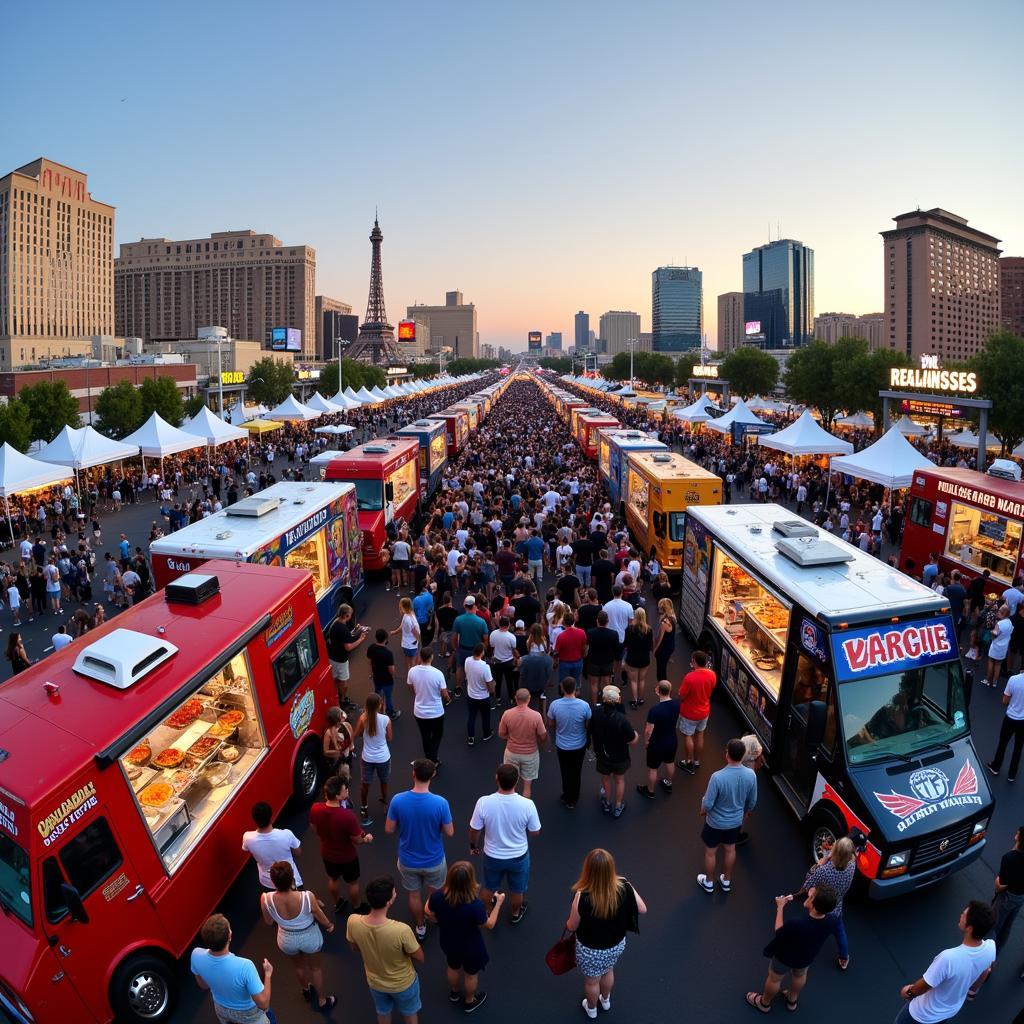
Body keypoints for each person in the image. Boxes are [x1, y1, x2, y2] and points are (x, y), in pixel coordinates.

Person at [565, 848, 647, 1020]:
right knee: (608, 969)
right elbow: (642, 909)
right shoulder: (624, 885)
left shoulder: (582, 897)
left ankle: (592, 1008)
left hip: (590, 950)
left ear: (587, 869)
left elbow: (572, 926)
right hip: (616, 945)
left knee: (592, 981)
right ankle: (606, 999)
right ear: (611, 867)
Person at [386, 759, 455, 941]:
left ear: (413, 774)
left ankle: (420, 926)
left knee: (414, 894)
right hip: (434, 860)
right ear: (433, 775)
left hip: (408, 860)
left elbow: (389, 829)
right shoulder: (440, 803)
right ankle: (432, 916)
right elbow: (449, 832)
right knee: (434, 893)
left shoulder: (398, 800)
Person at [894, 901, 996, 1023]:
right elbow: (986, 970)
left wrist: (908, 992)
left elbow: (925, 985)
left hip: (921, 1014)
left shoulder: (948, 958)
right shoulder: (991, 947)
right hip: (949, 1012)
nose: (961, 915)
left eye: (964, 915)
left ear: (969, 928)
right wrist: (972, 992)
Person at [425, 861, 503, 1014]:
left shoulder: (438, 897)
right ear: (470, 881)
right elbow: (489, 924)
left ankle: (454, 993)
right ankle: (469, 1001)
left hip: (448, 942)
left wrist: (438, 920)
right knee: (470, 975)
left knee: (452, 967)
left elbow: (427, 911)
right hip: (470, 947)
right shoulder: (475, 906)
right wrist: (498, 903)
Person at [469, 762, 541, 925]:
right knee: (517, 889)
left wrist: (473, 846)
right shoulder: (527, 804)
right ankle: (515, 913)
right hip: (519, 856)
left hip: (492, 856)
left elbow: (474, 830)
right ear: (517, 781)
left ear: (497, 779)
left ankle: (487, 911)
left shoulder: (483, 802)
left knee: (488, 886)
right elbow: (535, 831)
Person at [746, 886, 838, 1013]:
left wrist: (780, 907)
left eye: (812, 895)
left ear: (814, 904)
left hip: (785, 957)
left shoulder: (797, 923)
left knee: (774, 978)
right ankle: (792, 999)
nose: (810, 893)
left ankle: (764, 1003)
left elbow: (779, 932)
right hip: (806, 958)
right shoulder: (832, 920)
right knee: (800, 976)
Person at [347, 875, 424, 1024]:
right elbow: (420, 957)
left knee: (383, 1013)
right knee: (410, 1014)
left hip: (375, 983)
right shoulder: (401, 930)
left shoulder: (353, 921)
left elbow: (354, 947)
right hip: (403, 983)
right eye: (394, 892)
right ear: (389, 901)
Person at [260, 861, 336, 1011]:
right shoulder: (307, 897)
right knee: (315, 968)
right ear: (292, 879)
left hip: (286, 939)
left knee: (298, 966)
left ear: (273, 881)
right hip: (309, 937)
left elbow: (268, 922)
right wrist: (329, 925)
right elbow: (318, 914)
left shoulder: (265, 898)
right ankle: (321, 1000)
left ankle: (306, 991)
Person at [697, 738, 757, 894]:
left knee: (711, 852)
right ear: (743, 755)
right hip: (735, 822)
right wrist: (747, 811)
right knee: (730, 850)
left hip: (715, 822)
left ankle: (709, 882)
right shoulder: (751, 775)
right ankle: (726, 880)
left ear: (727, 754)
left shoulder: (717, 777)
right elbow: (752, 800)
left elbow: (708, 803)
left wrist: (703, 809)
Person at [191, 913, 274, 1024]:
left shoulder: (195, 955)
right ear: (230, 936)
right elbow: (264, 1004)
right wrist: (268, 974)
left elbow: (203, 985)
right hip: (248, 1013)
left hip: (221, 1008)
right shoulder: (245, 966)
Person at [309, 774, 374, 914]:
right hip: (347, 857)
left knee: (333, 879)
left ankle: (337, 902)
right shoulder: (347, 817)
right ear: (338, 796)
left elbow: (315, 828)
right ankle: (357, 906)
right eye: (345, 790)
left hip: (327, 853)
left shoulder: (315, 808)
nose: (347, 791)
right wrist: (367, 839)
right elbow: (357, 840)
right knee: (352, 882)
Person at [799, 836, 856, 970]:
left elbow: (808, 883)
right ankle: (843, 957)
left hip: (821, 906)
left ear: (834, 852)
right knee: (839, 931)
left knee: (813, 929)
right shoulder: (852, 866)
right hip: (836, 906)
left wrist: (820, 863)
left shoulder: (824, 871)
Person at [590, 685, 638, 818]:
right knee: (619, 780)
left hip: (602, 754)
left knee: (605, 779)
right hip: (620, 756)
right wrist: (636, 734)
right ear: (618, 701)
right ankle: (618, 805)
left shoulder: (596, 713)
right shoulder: (621, 719)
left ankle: (607, 802)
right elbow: (632, 740)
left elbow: (590, 729)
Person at [547, 676, 592, 808]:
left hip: (562, 745)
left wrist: (558, 729)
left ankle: (567, 796)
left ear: (562, 688)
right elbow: (588, 723)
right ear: (576, 689)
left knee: (565, 770)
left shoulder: (555, 705)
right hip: (580, 744)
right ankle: (575, 796)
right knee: (576, 771)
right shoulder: (584, 705)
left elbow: (550, 723)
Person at [498, 688, 549, 799]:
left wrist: (510, 738)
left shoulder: (507, 714)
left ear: (516, 699)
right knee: (527, 786)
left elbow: (501, 734)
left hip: (511, 753)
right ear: (529, 699)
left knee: (510, 784)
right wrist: (538, 741)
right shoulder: (536, 716)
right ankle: (524, 810)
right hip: (530, 755)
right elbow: (543, 735)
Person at [241, 801, 302, 892]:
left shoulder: (247, 837)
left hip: (267, 882)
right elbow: (298, 852)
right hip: (290, 879)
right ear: (271, 818)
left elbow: (245, 848)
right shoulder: (286, 834)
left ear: (255, 820)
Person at [352, 692, 393, 826]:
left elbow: (356, 735)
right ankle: (385, 803)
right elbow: (389, 738)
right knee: (384, 781)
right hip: (383, 757)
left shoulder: (363, 718)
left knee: (365, 784)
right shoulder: (386, 719)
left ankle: (364, 809)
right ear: (379, 705)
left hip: (367, 758)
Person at [407, 648, 451, 765]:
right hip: (436, 712)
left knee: (425, 736)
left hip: (419, 712)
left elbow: (411, 688)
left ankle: (429, 759)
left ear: (420, 657)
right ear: (432, 657)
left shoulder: (412, 671)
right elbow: (444, 693)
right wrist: (447, 699)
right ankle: (432, 760)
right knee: (437, 735)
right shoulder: (438, 674)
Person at [636, 680, 679, 799]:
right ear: (670, 690)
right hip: (671, 740)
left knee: (653, 768)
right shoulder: (676, 704)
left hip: (657, 743)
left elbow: (648, 730)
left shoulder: (655, 710)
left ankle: (650, 791)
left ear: (657, 691)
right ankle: (668, 782)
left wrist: (646, 741)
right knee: (670, 762)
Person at [677, 650, 716, 775]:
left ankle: (689, 762)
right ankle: (697, 761)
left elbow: (682, 695)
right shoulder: (712, 675)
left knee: (688, 735)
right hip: (704, 711)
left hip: (689, 713)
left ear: (694, 661)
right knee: (700, 735)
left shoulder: (690, 677)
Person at [990, 826, 1024, 956]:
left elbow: (1000, 885)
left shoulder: (1009, 858)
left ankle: (986, 958)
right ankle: (996, 955)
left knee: (993, 926)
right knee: (1006, 927)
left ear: (1019, 838)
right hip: (1020, 897)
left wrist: (998, 881)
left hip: (1006, 898)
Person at [327, 602, 368, 709]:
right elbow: (348, 646)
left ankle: (336, 695)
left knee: (335, 679)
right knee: (344, 683)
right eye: (350, 614)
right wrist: (361, 639)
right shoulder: (343, 628)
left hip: (332, 657)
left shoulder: (336, 623)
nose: (351, 616)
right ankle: (343, 699)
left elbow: (346, 637)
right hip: (341, 660)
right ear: (345, 615)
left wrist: (355, 630)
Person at [987, 667, 1024, 782]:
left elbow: (1005, 701)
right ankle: (1011, 775)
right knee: (1018, 747)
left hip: (1010, 718)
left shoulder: (1014, 679)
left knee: (1003, 743)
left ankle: (996, 767)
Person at [452, 595, 489, 697]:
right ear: (474, 606)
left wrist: (455, 647)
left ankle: (458, 687)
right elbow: (486, 639)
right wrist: (483, 650)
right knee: (478, 668)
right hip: (476, 650)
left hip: (463, 648)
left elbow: (454, 637)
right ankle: (477, 686)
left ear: (465, 606)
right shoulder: (481, 621)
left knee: (459, 667)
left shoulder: (458, 620)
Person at [585, 610, 620, 705]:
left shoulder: (590, 632)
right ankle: (606, 704)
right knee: (606, 685)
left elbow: (586, 647)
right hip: (607, 662)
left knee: (594, 685)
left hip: (593, 661)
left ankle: (595, 705)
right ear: (607, 621)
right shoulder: (613, 634)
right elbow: (616, 649)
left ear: (597, 621)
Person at [623, 606, 654, 709]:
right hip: (644, 658)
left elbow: (626, 644)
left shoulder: (629, 629)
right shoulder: (649, 630)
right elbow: (650, 645)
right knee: (642, 680)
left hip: (632, 658)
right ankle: (640, 698)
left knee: (633, 681)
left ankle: (634, 700)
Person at [465, 643, 495, 745]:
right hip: (483, 697)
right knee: (485, 716)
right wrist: (492, 691)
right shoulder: (485, 667)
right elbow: (489, 684)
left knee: (471, 716)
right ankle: (486, 734)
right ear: (482, 652)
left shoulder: (467, 660)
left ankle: (470, 737)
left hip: (471, 695)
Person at [367, 627, 400, 718]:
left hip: (376, 677)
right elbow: (391, 669)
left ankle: (378, 712)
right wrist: (394, 675)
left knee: (378, 695)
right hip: (387, 680)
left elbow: (369, 661)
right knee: (388, 697)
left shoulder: (371, 648)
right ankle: (391, 713)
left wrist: (371, 673)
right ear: (385, 639)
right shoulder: (388, 653)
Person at [488, 615, 519, 706]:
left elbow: (492, 646)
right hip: (509, 662)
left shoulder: (493, 634)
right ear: (508, 624)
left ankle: (498, 699)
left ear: (499, 624)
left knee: (498, 681)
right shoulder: (511, 637)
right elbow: (513, 649)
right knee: (509, 681)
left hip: (497, 662)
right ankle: (511, 698)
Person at [392, 596, 421, 680]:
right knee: (413, 663)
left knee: (409, 662)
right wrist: (419, 644)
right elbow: (416, 633)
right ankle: (413, 679)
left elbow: (402, 627)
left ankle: (410, 677)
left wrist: (394, 632)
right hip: (411, 645)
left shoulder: (407, 616)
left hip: (407, 644)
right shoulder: (409, 616)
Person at [985, 605, 1012, 687]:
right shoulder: (1009, 622)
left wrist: (991, 632)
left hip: (996, 646)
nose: (998, 612)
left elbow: (994, 635)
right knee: (998, 665)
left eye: (999, 611)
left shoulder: (999, 623)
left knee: (991, 662)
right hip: (1004, 647)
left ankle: (988, 681)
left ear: (1003, 613)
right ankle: (995, 682)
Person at [322, 706, 354, 775]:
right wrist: (338, 752)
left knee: (346, 776)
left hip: (347, 757)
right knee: (339, 779)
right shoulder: (328, 733)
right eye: (341, 714)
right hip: (337, 761)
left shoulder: (346, 725)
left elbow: (351, 742)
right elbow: (325, 751)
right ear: (337, 719)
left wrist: (350, 752)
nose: (343, 715)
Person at [653, 598, 677, 682]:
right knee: (663, 668)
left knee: (661, 671)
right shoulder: (672, 617)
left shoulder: (664, 622)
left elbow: (660, 638)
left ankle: (663, 688)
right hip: (670, 646)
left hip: (663, 649)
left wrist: (655, 650)